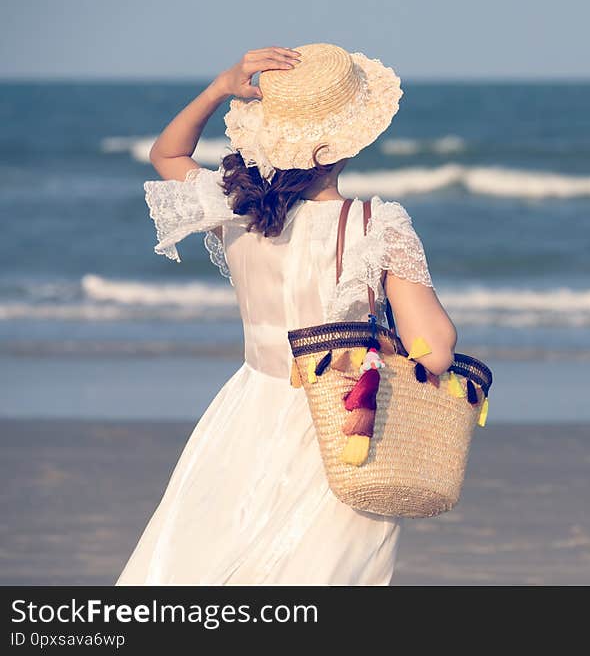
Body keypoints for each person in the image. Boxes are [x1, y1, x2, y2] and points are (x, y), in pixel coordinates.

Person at [116, 43, 457, 585]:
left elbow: (167, 156)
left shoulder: (237, 207)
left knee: (212, 563)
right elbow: (435, 350)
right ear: (346, 142)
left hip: (247, 410)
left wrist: (220, 87)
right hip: (343, 424)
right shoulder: (378, 222)